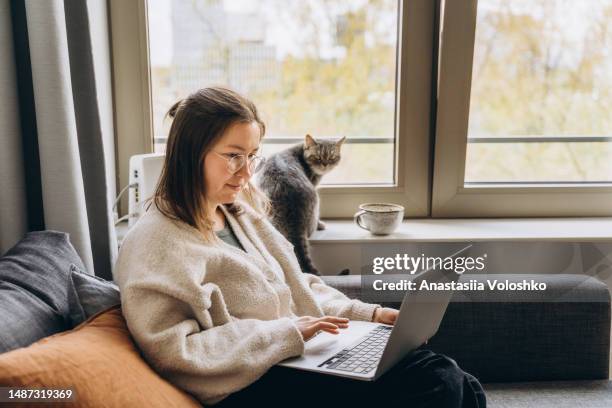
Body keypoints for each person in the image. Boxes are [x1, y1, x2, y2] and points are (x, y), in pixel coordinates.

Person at [115, 87, 486, 407]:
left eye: (252, 156)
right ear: (189, 153)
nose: (246, 173)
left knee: (458, 383)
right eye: (233, 156)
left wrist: (365, 314)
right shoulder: (155, 242)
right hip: (248, 386)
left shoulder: (241, 216)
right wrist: (286, 334)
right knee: (438, 381)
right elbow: (174, 351)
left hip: (296, 360)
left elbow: (297, 286)